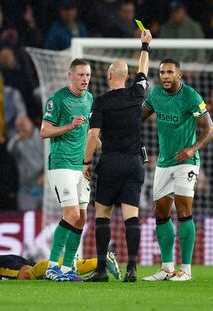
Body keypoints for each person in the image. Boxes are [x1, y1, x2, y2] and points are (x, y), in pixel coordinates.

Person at [82, 29, 152, 283]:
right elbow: (143, 70)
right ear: (126, 77)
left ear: (110, 75)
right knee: (131, 217)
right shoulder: (137, 94)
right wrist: (145, 45)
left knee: (103, 216)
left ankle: (101, 270)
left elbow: (93, 136)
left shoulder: (100, 102)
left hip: (111, 162)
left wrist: (86, 162)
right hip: (134, 163)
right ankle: (132, 268)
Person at [141, 59, 213, 281]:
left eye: (170, 72)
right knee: (160, 213)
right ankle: (166, 268)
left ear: (179, 75)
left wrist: (192, 149)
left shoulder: (191, 96)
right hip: (164, 162)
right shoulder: (155, 96)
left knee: (183, 210)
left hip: (186, 161)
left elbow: (210, 129)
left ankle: (186, 269)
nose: (165, 76)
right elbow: (138, 118)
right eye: (162, 72)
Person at [40, 58, 93, 281]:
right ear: (70, 75)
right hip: (61, 164)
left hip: (80, 167)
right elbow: (44, 131)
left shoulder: (89, 99)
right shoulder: (58, 100)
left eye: (88, 75)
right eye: (80, 75)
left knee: (81, 218)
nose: (85, 79)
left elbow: (88, 133)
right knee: (70, 214)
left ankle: (68, 267)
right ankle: (53, 266)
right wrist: (69, 126)